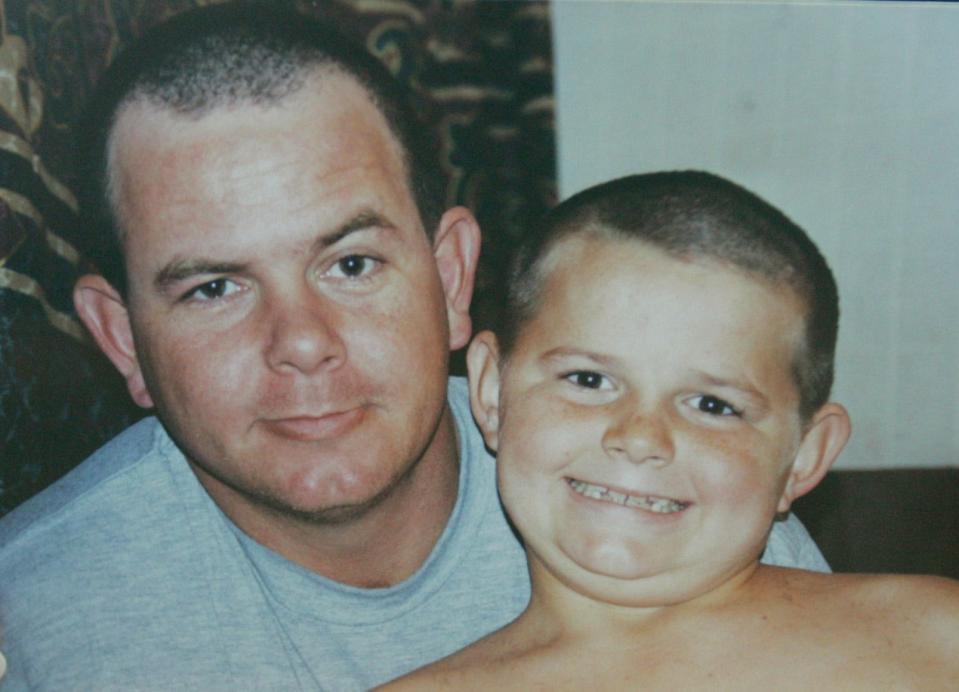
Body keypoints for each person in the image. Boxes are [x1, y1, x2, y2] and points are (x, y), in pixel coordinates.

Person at [0, 5, 829, 689]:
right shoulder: (31, 618)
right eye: (214, 288)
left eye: (351, 264)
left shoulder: (653, 497)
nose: (302, 345)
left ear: (450, 276)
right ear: (122, 339)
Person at [381, 171, 959, 690]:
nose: (639, 437)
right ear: (490, 393)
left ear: (805, 457)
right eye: (588, 379)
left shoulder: (932, 635)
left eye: (711, 404)